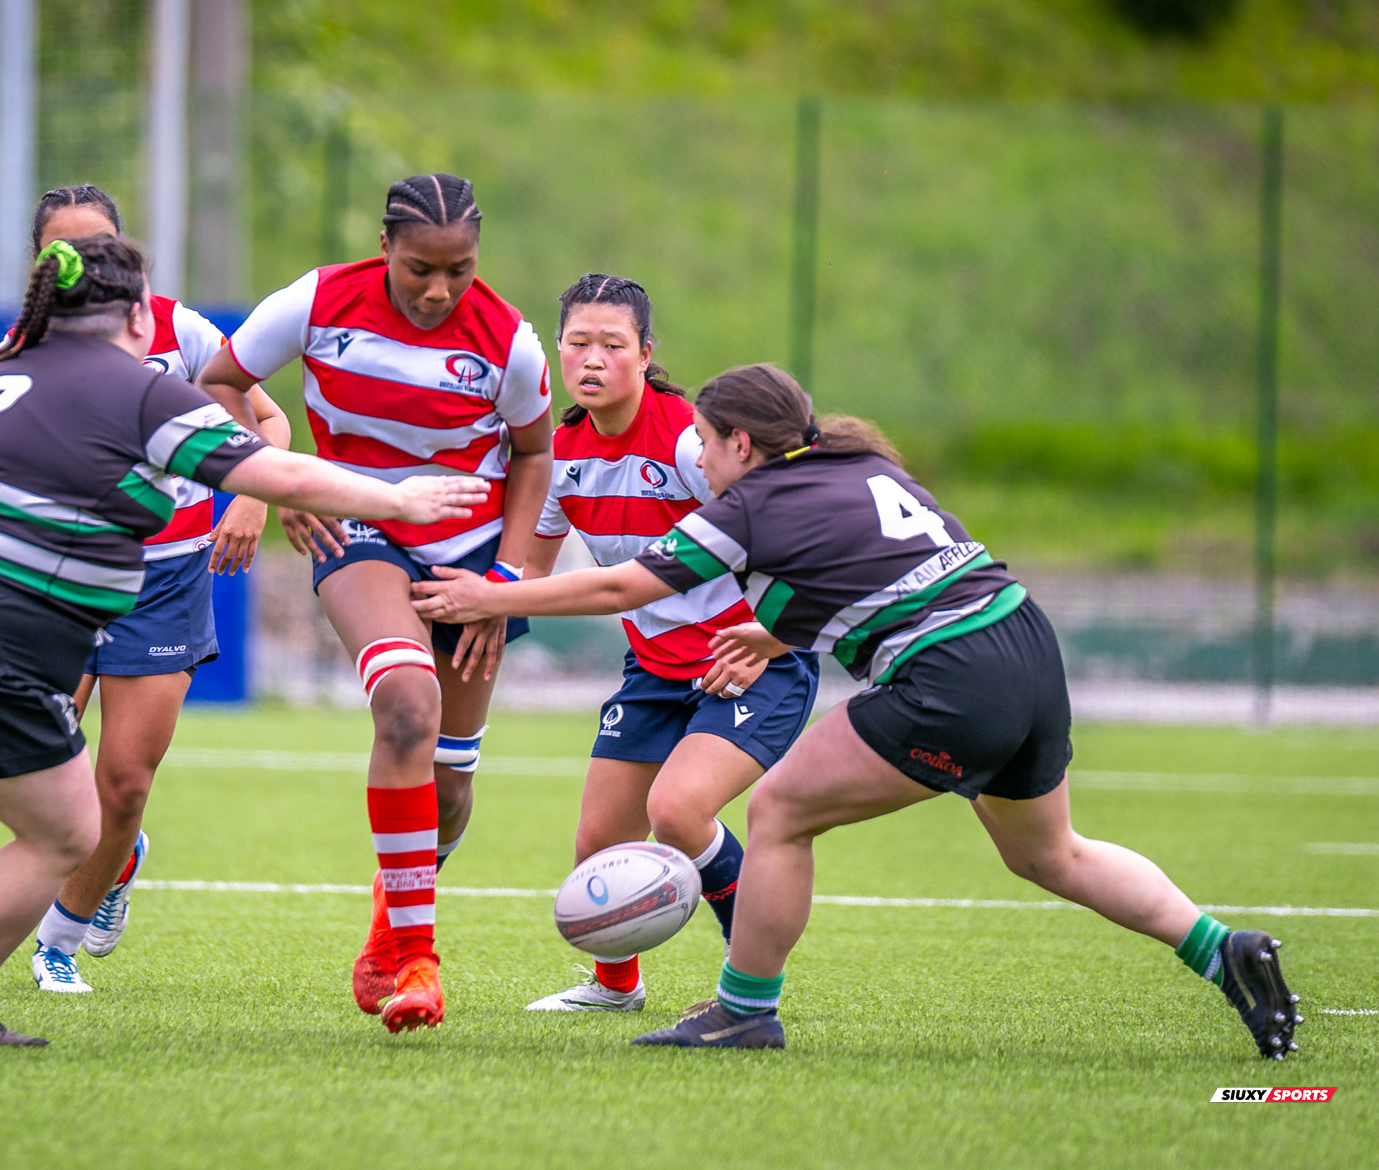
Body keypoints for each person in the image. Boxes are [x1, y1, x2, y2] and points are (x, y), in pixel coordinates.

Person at [0, 234, 487, 1046]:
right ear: (140, 316)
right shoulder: (140, 389)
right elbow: (274, 473)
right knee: (68, 831)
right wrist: (403, 500)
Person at [412, 363, 1300, 1058]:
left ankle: (743, 1012)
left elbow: (619, 583)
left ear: (739, 445)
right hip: (1025, 641)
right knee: (1049, 852)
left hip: (948, 675)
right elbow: (852, 564)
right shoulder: (857, 460)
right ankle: (1221, 948)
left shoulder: (750, 502)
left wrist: (490, 599)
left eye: (706, 444)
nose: (701, 459)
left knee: (778, 811)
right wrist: (768, 635)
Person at [198, 173, 553, 1031]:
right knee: (404, 703)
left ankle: (385, 929)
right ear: (385, 246)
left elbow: (537, 456)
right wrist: (279, 484)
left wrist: (504, 585)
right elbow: (218, 380)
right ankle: (419, 962)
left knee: (451, 782)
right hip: (359, 531)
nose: (439, 289)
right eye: (420, 268)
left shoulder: (508, 340)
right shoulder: (319, 300)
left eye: (459, 270)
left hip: (471, 554)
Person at [18, 185, 292, 996]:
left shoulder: (181, 332)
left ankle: (57, 941)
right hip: (59, 578)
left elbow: (268, 426)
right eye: (64, 253)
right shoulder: (24, 347)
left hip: (164, 578)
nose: (86, 268)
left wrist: (250, 496)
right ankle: (115, 855)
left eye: (101, 248)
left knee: (125, 781)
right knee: (42, 768)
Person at [520, 275, 817, 1012]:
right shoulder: (559, 454)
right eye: (577, 343)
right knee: (598, 840)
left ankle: (749, 991)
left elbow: (784, 540)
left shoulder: (692, 440)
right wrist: (486, 616)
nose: (592, 359)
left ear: (646, 355)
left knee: (679, 814)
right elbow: (530, 567)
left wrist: (773, 638)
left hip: (747, 662)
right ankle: (615, 986)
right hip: (653, 667)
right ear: (557, 351)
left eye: (612, 345)